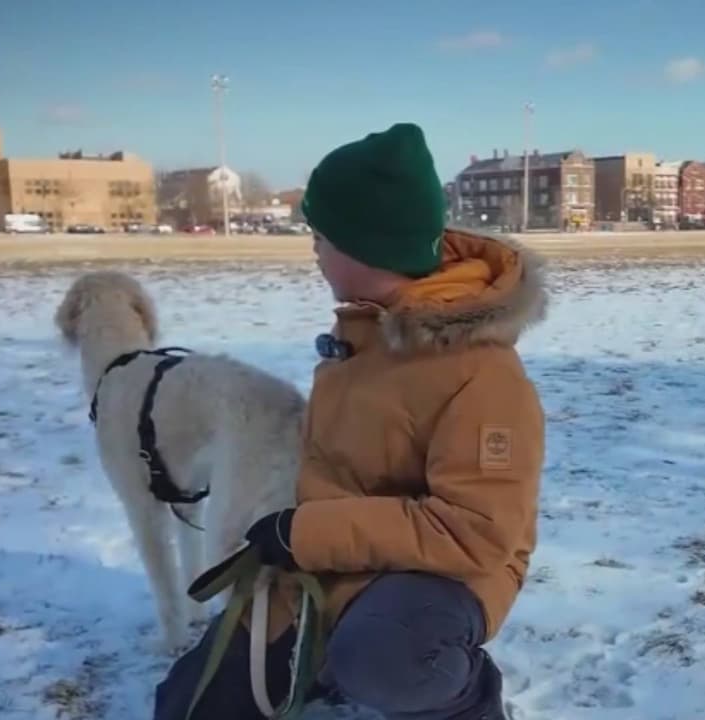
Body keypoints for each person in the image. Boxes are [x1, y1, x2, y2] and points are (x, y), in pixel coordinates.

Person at [154, 122, 547, 720]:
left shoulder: (483, 374)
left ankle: (463, 698)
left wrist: (305, 533)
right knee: (188, 706)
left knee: (388, 659)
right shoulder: (364, 334)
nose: (313, 246)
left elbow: (475, 533)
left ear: (368, 248)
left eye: (322, 234)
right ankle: (328, 656)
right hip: (335, 564)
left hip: (447, 575)